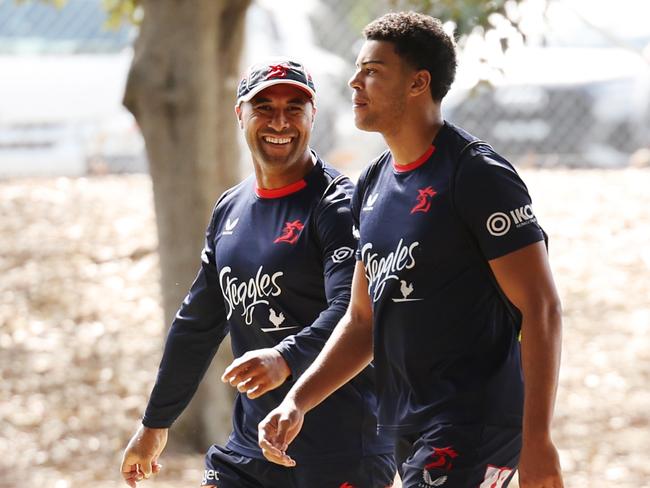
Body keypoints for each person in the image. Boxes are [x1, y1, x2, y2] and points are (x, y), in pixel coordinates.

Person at [259, 12, 564, 488]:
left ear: (419, 82)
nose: (355, 81)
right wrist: (298, 400)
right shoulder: (373, 184)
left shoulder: (476, 175)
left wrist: (537, 439)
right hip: (406, 423)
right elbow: (363, 321)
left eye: (373, 71)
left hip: (474, 421)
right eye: (359, 69)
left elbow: (541, 309)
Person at [120, 58, 396, 488]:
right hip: (250, 447)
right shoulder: (230, 208)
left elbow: (354, 311)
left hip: (341, 448)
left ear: (312, 116)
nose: (279, 122)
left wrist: (285, 357)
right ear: (240, 115)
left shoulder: (338, 206)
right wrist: (155, 422)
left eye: (294, 108)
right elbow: (197, 324)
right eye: (264, 107)